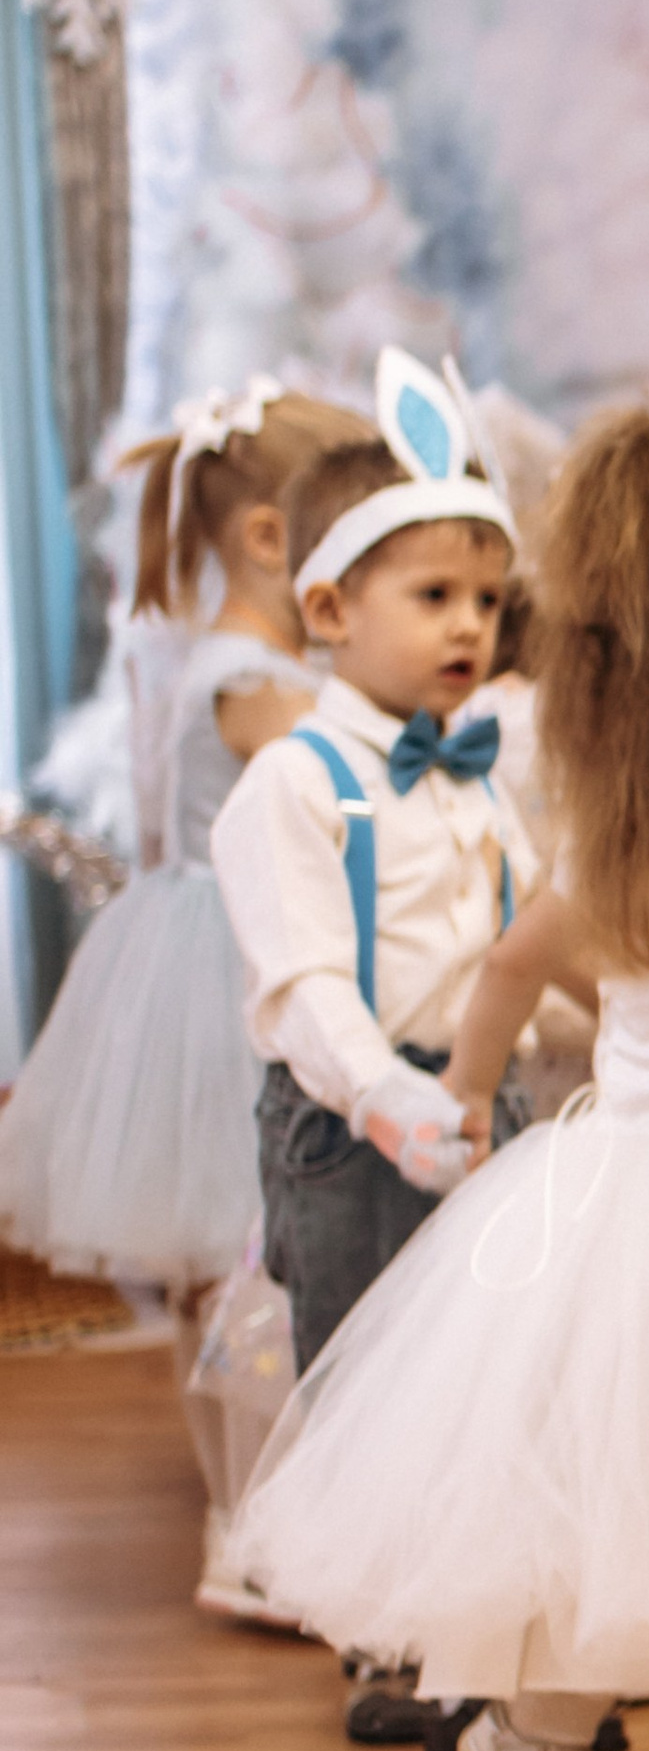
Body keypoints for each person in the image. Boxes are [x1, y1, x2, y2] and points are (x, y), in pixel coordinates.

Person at [230, 409, 649, 1751]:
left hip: (647, 1169)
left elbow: (507, 960)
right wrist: (435, 1106)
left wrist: (480, 1089)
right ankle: (541, 1728)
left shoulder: (632, 827)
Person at [210, 354, 536, 1751]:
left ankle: (481, 1641)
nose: (468, 626)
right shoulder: (297, 780)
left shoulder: (477, 776)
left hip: (481, 1104)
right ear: (331, 609)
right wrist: (392, 1098)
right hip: (349, 1125)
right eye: (434, 597)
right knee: (362, 1378)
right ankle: (388, 1644)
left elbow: (533, 942)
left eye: (484, 601)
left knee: (481, 1371)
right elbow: (300, 988)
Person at [0, 382, 367, 1601]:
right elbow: (336, 772)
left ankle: (262, 1506)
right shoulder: (250, 675)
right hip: (225, 968)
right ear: (273, 540)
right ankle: (246, 1525)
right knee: (242, 1255)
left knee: (239, 1259)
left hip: (203, 945)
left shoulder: (234, 654)